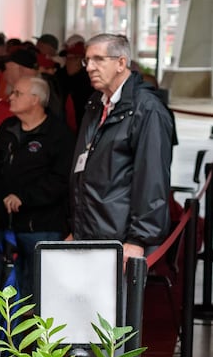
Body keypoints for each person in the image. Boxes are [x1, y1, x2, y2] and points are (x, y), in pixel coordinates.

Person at [68, 33, 176, 259]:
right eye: (87, 60)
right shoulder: (96, 104)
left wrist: (139, 239)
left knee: (117, 295)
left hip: (121, 240)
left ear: (121, 63)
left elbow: (152, 179)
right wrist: (77, 230)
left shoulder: (146, 109)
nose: (90, 67)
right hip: (92, 233)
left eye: (99, 59)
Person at [0, 75, 73, 312]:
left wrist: (24, 197)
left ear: (35, 100)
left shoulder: (58, 134)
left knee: (40, 292)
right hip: (5, 225)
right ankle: (6, 346)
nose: (10, 97)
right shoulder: (7, 128)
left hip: (42, 226)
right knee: (3, 290)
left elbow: (61, 180)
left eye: (17, 93)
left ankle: (37, 347)